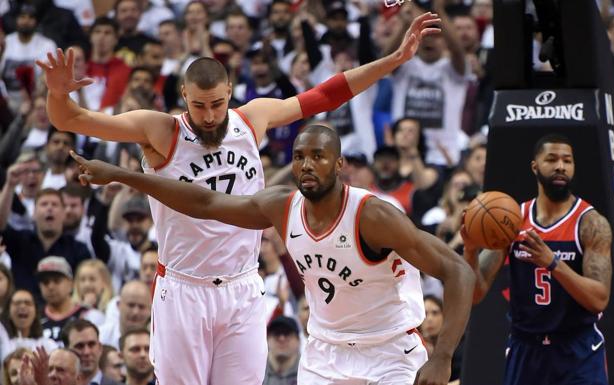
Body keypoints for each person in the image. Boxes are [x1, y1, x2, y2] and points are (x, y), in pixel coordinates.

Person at [37, 11, 443, 385]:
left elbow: (326, 95)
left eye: (217, 104)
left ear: (230, 92)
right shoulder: (160, 130)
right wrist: (57, 95)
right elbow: (74, 120)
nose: (210, 116)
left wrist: (392, 60)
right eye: (199, 106)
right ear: (183, 96)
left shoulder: (253, 118)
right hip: (184, 289)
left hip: (243, 286)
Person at [69, 124, 475, 385]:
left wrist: (442, 356)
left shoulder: (374, 216)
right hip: (323, 351)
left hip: (388, 349)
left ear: (339, 163)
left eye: (318, 156)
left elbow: (458, 271)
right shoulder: (282, 207)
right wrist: (124, 176)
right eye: (299, 156)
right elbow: (206, 202)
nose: (307, 165)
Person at [461, 134, 612, 385]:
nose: (561, 166)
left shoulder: (590, 223)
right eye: (551, 159)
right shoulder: (511, 220)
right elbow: (476, 293)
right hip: (526, 348)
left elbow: (599, 298)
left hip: (577, 349)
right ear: (535, 166)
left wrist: (553, 263)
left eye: (567, 160)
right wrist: (469, 251)